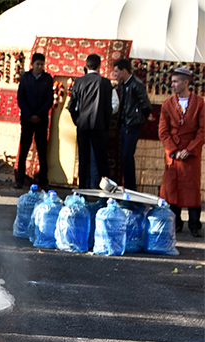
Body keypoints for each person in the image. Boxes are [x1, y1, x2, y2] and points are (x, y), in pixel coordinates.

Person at [158, 65, 205, 236]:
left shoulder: (199, 103)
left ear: (186, 83)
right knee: (172, 188)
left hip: (191, 153)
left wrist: (190, 149)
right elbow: (163, 131)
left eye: (176, 82)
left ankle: (194, 225)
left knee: (191, 188)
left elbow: (202, 130)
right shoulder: (167, 104)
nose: (172, 85)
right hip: (173, 153)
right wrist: (174, 150)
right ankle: (175, 223)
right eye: (172, 82)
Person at [67, 54, 112, 189]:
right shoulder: (105, 83)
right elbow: (108, 108)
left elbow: (71, 105)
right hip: (99, 126)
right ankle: (105, 193)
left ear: (86, 65)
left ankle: (82, 190)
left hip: (83, 125)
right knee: (102, 161)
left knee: (83, 159)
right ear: (99, 65)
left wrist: (77, 120)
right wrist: (105, 124)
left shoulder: (79, 82)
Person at [112, 58, 152, 191]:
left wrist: (139, 118)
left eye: (117, 71)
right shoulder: (123, 84)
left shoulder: (136, 84)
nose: (115, 74)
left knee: (127, 155)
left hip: (133, 124)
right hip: (125, 123)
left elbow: (145, 104)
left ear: (124, 71)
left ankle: (131, 187)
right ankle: (128, 185)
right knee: (124, 155)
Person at [15, 52, 53, 188]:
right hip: (27, 119)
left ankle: (43, 181)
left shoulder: (48, 79)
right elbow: (21, 98)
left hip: (41, 120)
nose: (40, 66)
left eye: (42, 64)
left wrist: (39, 114)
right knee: (24, 150)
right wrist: (30, 114)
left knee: (42, 151)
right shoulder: (25, 78)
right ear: (32, 64)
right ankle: (19, 180)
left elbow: (49, 99)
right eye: (38, 64)